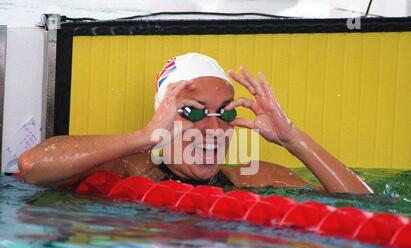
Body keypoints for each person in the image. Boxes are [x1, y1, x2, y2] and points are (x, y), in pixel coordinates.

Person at [18, 53, 372, 194]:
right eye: (194, 112)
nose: (215, 130)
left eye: (227, 113)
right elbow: (32, 166)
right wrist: (145, 136)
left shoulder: (255, 176)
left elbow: (365, 209)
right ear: (166, 117)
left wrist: (294, 139)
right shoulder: (126, 169)